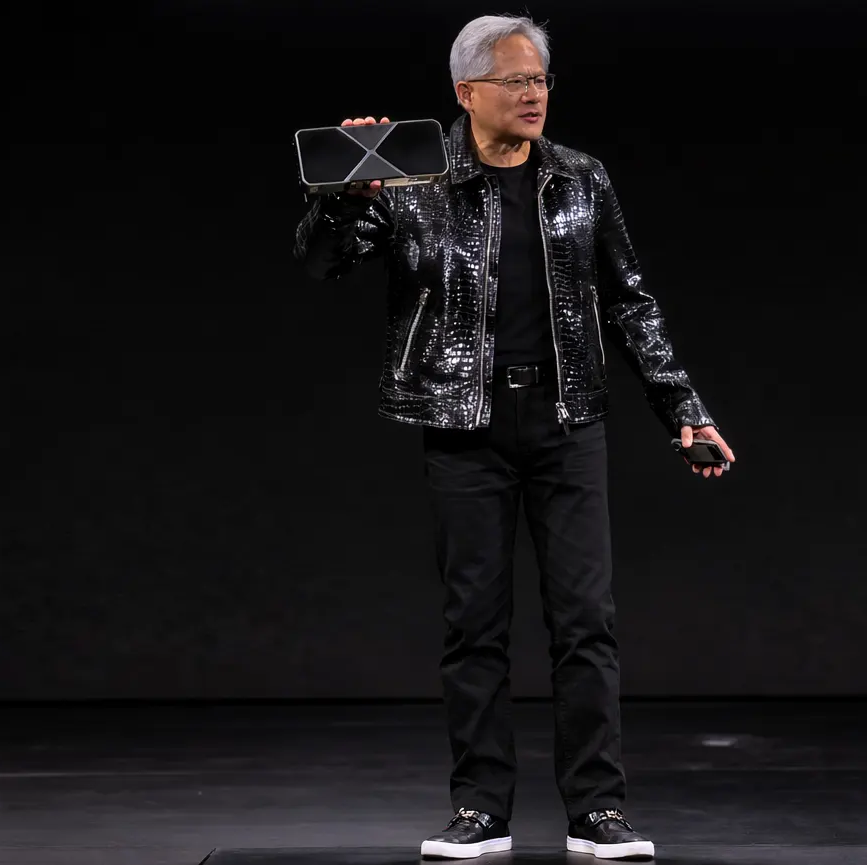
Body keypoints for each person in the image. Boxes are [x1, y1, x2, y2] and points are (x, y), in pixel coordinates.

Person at [293, 14, 734, 860]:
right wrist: (344, 192)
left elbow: (630, 301)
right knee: (474, 625)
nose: (533, 94)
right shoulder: (414, 181)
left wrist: (684, 408)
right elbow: (324, 263)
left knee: (586, 623)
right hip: (465, 423)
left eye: (541, 80)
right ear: (467, 93)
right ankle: (480, 808)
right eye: (514, 81)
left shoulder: (580, 179)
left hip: (569, 422)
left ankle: (598, 809)